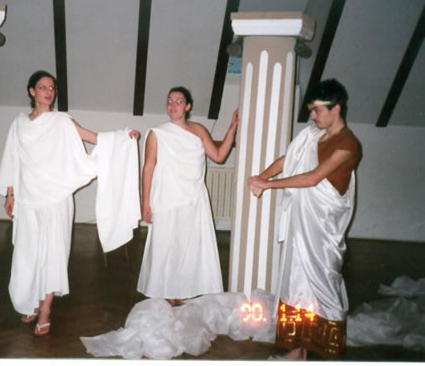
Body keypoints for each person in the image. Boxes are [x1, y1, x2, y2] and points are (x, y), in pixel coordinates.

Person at [0, 70, 140, 335]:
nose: (48, 92)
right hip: (28, 197)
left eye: (52, 88)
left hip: (56, 197)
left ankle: (46, 308)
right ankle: (31, 300)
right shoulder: (19, 124)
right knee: (28, 253)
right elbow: (12, 158)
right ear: (32, 91)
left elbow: (90, 137)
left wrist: (122, 137)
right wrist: (10, 194)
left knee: (53, 253)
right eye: (42, 87)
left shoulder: (61, 121)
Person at [248, 79, 362, 360]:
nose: (312, 116)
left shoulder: (348, 145)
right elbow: (287, 160)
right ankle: (296, 351)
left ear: (336, 108)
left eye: (317, 110)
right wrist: (261, 177)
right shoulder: (312, 135)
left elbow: (312, 178)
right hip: (301, 225)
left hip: (322, 231)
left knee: (323, 288)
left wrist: (268, 185)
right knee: (295, 283)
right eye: (311, 110)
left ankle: (328, 353)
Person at [137, 87, 238, 306]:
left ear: (188, 106)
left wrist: (232, 129)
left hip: (193, 199)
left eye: (179, 101)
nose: (173, 105)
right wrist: (145, 202)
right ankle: (167, 294)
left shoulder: (199, 130)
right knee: (165, 247)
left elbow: (219, 156)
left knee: (187, 247)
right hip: (166, 198)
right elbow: (148, 168)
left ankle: (182, 294)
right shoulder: (157, 133)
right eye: (170, 100)